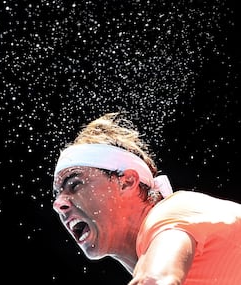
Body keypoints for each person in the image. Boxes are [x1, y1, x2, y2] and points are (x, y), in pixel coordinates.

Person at [52, 112, 241, 285]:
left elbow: (156, 280)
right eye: (57, 194)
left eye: (75, 184)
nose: (58, 203)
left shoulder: (171, 212)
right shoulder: (151, 258)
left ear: (127, 181)